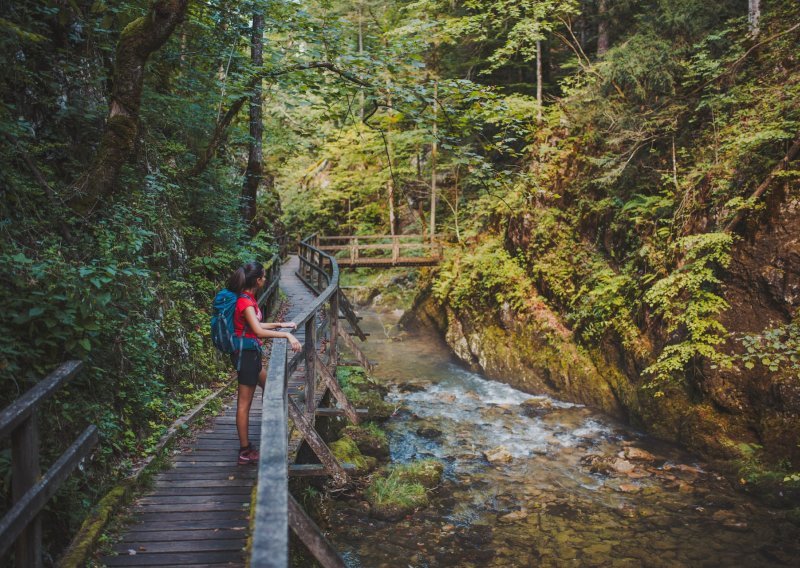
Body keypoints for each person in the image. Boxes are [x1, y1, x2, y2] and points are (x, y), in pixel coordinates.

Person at [227, 261, 302, 465]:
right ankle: (245, 450)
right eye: (264, 276)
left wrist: (280, 324)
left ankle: (273, 431)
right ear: (258, 280)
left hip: (251, 354)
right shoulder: (244, 301)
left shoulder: (248, 298)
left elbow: (255, 325)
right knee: (244, 404)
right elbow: (258, 331)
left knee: (272, 389)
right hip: (246, 355)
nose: (266, 279)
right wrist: (286, 336)